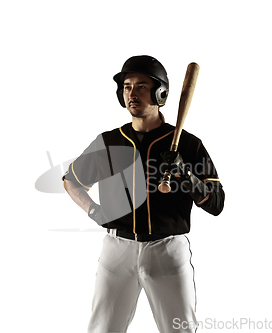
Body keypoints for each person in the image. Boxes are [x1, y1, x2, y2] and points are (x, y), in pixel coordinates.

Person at [62, 55, 225, 333]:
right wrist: (94, 211)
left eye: (141, 86)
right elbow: (71, 181)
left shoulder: (187, 143)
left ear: (160, 92)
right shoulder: (109, 141)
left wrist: (185, 173)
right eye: (126, 87)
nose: (132, 94)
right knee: (102, 329)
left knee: (180, 330)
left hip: (167, 249)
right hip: (117, 250)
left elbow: (217, 203)